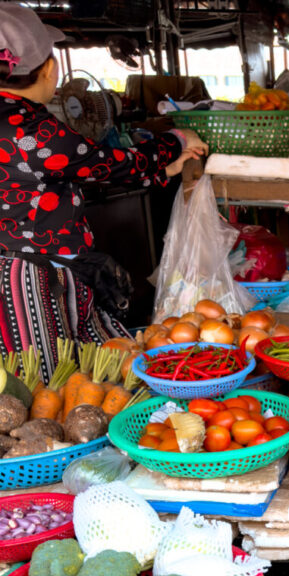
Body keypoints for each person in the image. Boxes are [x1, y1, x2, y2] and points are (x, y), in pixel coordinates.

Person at [0, 4, 207, 379]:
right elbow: (116, 164)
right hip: (30, 279)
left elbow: (64, 176)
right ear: (50, 68)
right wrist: (175, 140)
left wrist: (166, 171)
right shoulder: (32, 130)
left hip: (42, 271)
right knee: (52, 383)